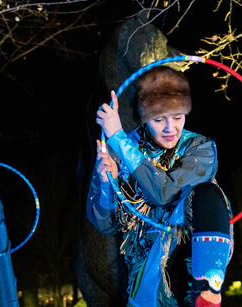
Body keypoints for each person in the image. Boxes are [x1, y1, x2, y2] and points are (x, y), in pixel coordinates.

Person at [87, 66, 233, 307]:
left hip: (194, 255)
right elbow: (106, 224)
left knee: (207, 191)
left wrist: (119, 139)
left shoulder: (200, 146)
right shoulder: (118, 150)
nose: (170, 128)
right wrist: (106, 184)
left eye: (177, 117)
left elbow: (166, 193)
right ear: (144, 117)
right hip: (148, 273)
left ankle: (208, 293)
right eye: (158, 119)